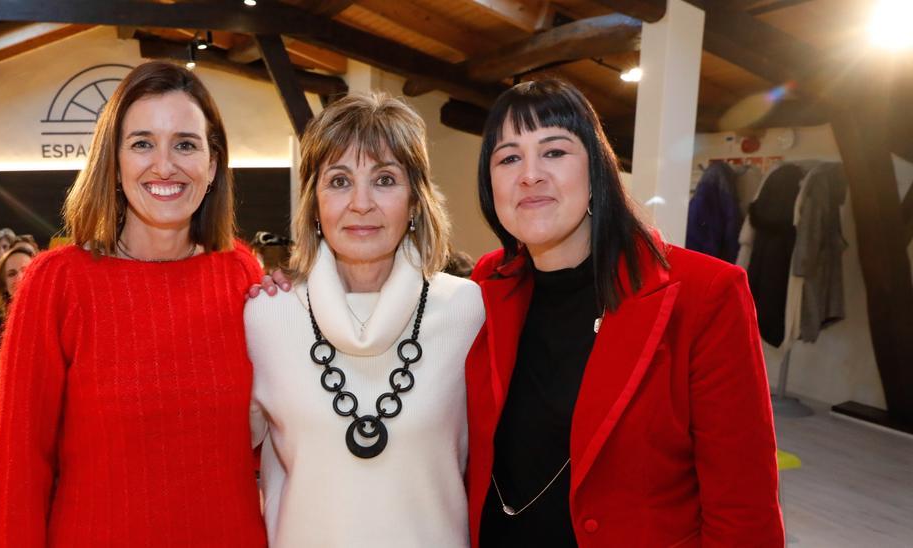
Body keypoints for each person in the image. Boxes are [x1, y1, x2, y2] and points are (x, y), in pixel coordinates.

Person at [466, 79, 782, 547]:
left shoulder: (705, 294)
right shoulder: (485, 285)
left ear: (596, 169)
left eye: (554, 152)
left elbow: (743, 511)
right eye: (509, 157)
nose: (529, 175)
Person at [0, 61, 266, 547]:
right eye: (142, 143)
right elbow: (18, 467)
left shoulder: (240, 273)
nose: (165, 165)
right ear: (114, 161)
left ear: (212, 166)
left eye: (186, 144)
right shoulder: (57, 282)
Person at [246, 93, 484, 547]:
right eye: (339, 181)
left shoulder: (467, 310)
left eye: (385, 179)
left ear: (415, 199)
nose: (361, 203)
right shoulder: (266, 316)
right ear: (314, 203)